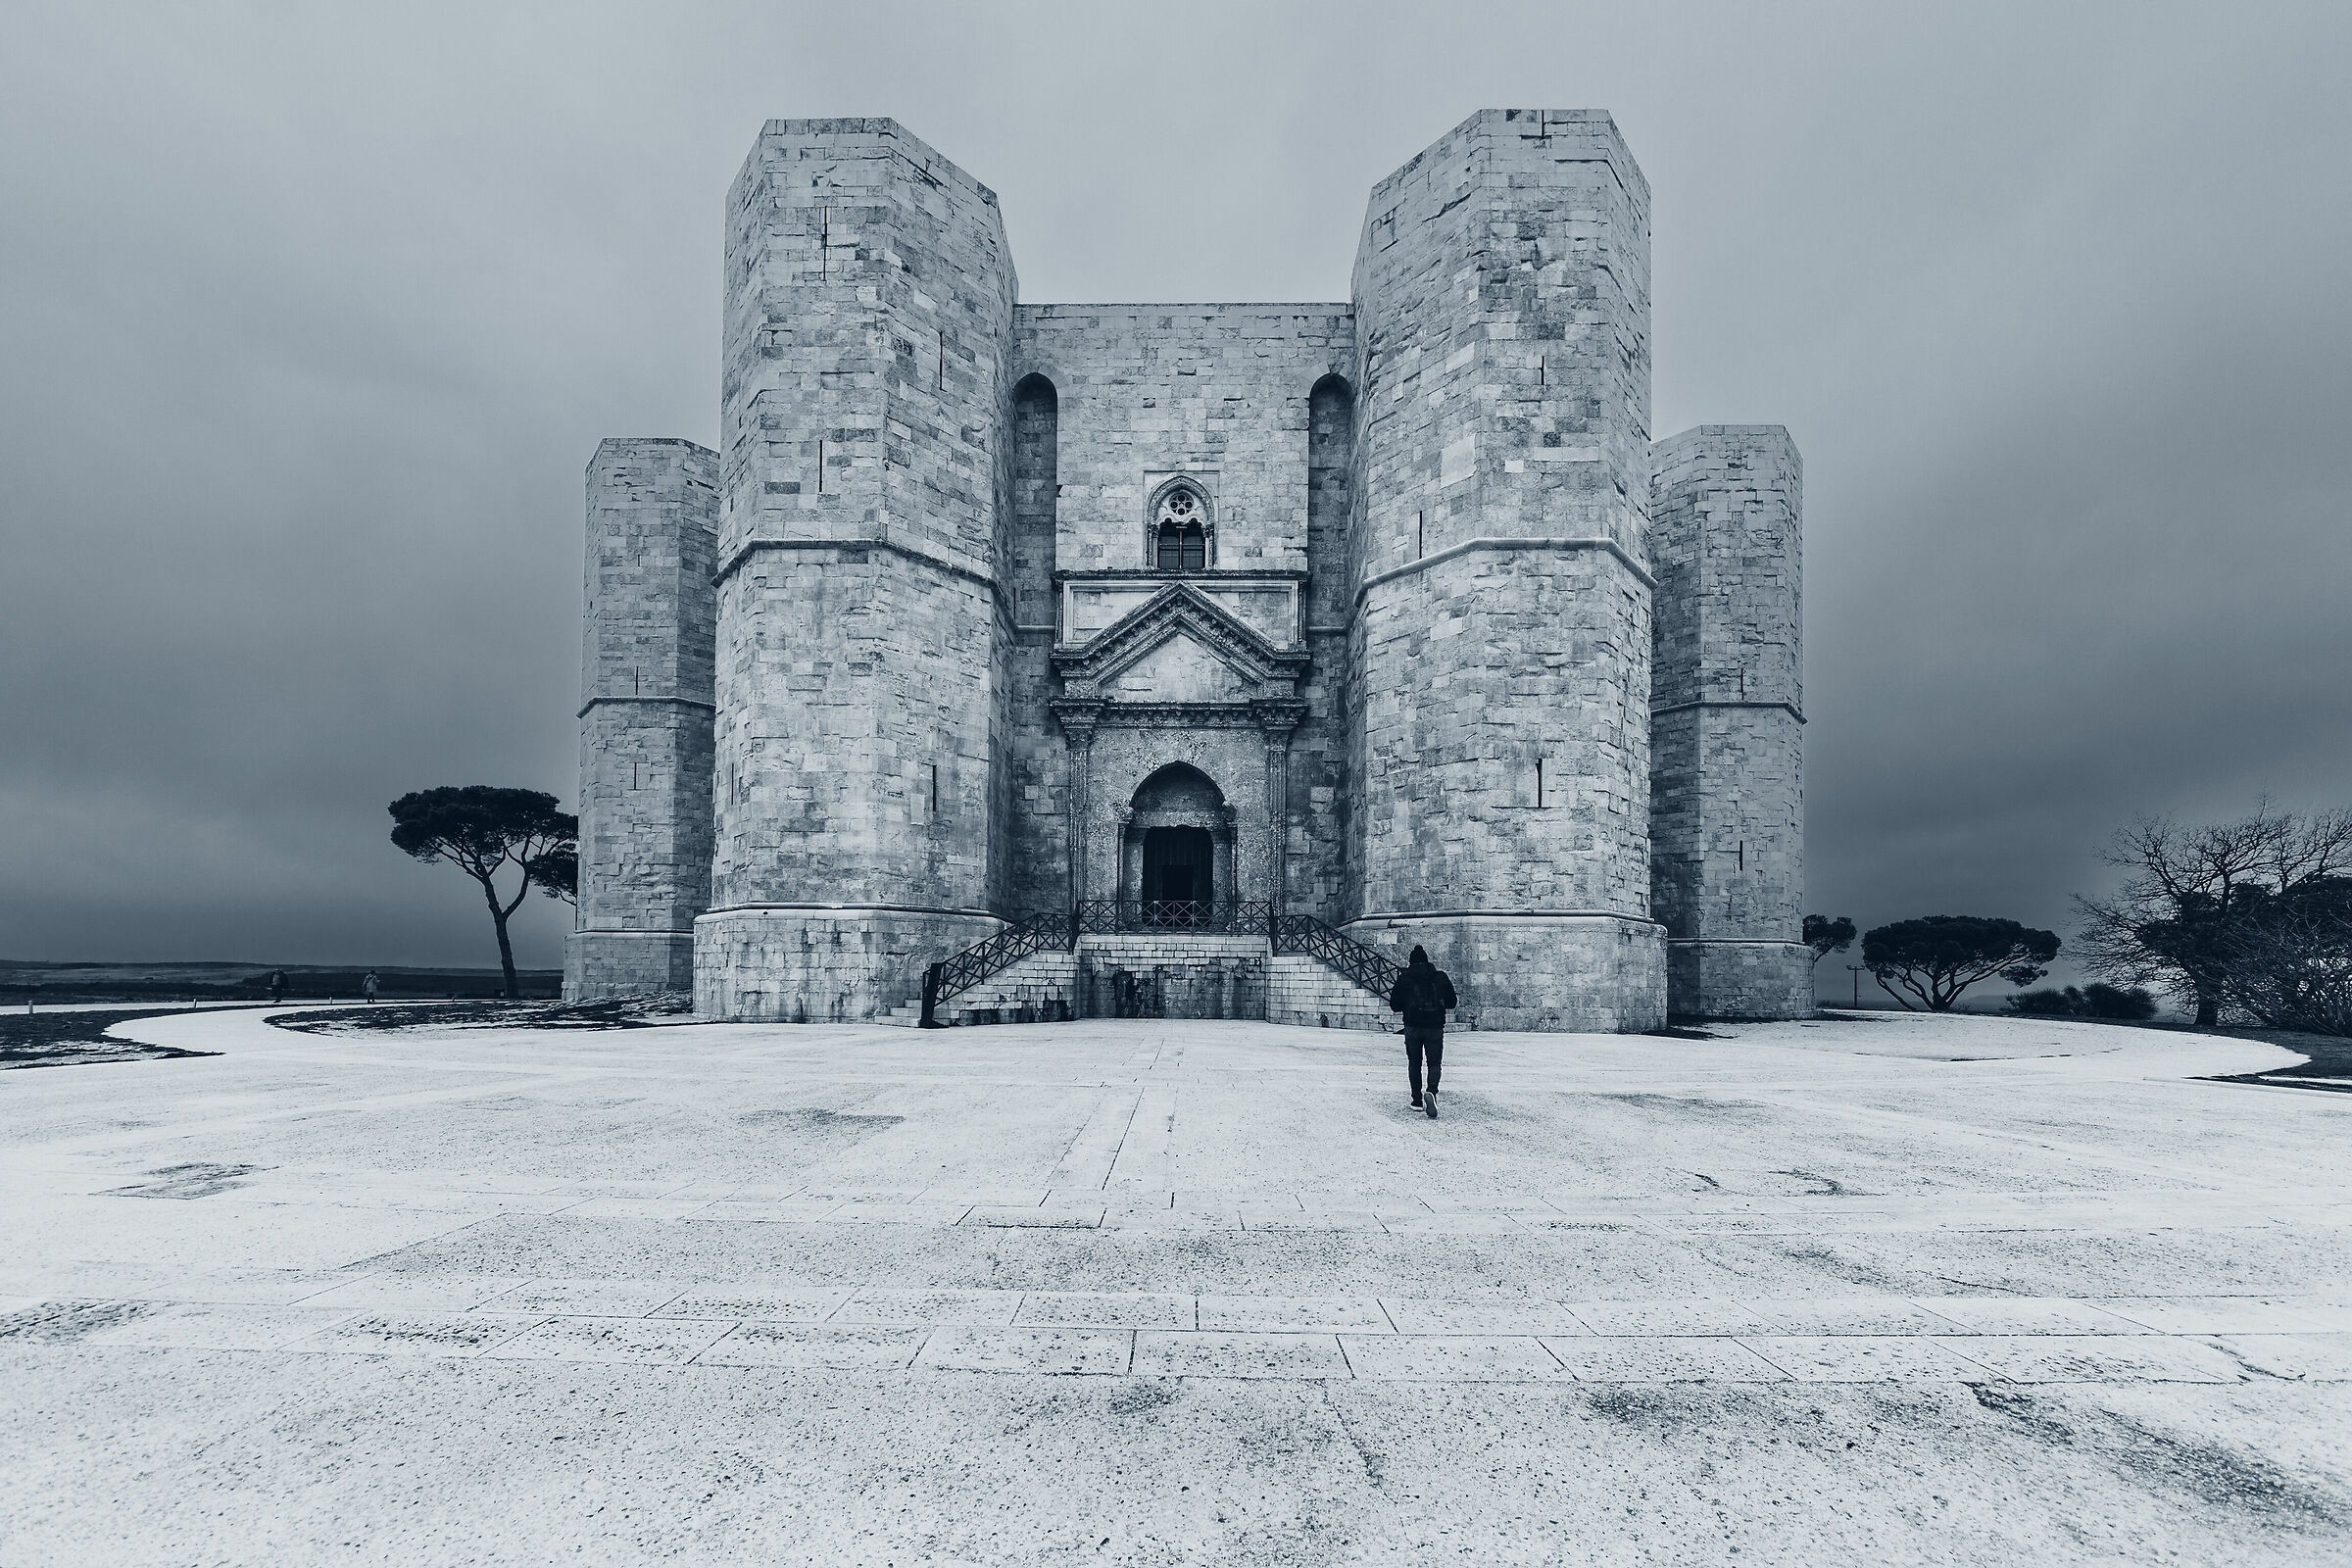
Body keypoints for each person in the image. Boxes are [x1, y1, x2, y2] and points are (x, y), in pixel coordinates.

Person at [1387, 945, 1457, 1118]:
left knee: (1414, 1063)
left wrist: (1407, 1002)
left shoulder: (1405, 978)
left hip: (1412, 1026)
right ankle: (1431, 1091)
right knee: (1434, 1063)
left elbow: (1394, 1005)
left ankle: (1417, 1100)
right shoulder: (1440, 977)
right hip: (1434, 1027)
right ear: (1427, 960)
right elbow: (1452, 1002)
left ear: (1410, 962)